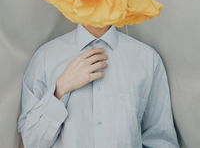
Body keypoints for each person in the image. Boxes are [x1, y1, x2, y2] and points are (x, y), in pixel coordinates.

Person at [17, 23, 179, 148]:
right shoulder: (45, 57)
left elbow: (160, 140)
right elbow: (31, 142)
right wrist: (60, 89)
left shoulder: (147, 59)